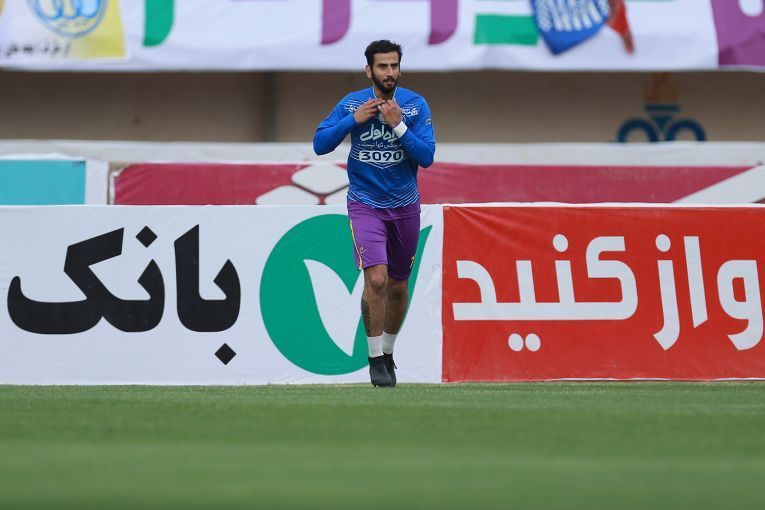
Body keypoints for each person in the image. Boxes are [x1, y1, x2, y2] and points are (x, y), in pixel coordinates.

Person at [313, 40, 436, 387]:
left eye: (394, 65)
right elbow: (320, 144)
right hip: (365, 204)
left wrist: (399, 126)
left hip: (405, 206)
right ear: (369, 70)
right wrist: (352, 120)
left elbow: (427, 157)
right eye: (382, 66)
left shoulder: (415, 105)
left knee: (398, 285)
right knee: (377, 279)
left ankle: (388, 352)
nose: (389, 72)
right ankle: (374, 359)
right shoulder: (353, 104)